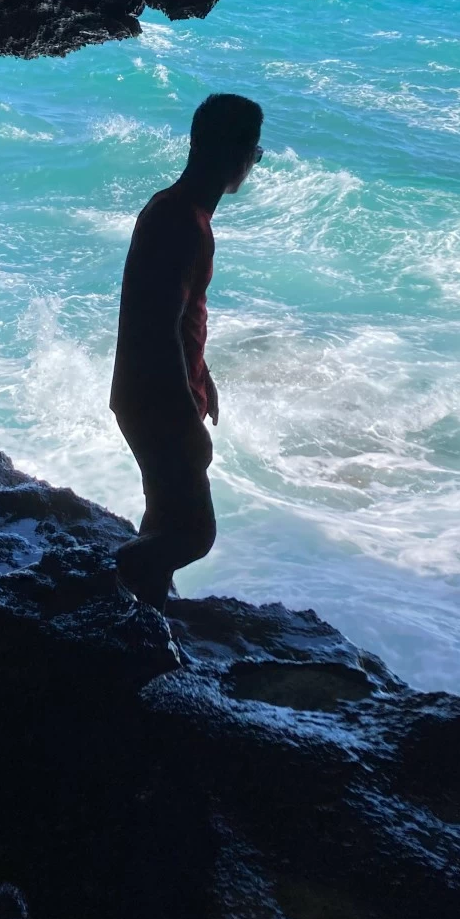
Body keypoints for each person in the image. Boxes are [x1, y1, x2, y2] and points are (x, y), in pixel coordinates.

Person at [109, 93, 264, 611]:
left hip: (150, 393)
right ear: (239, 155)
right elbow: (157, 329)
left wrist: (204, 378)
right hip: (155, 401)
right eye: (256, 152)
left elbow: (177, 319)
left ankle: (146, 616)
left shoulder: (178, 211)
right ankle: (115, 581)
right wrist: (184, 417)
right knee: (194, 533)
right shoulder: (181, 222)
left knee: (165, 518)